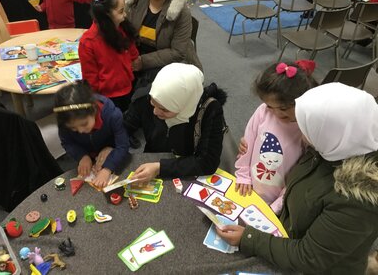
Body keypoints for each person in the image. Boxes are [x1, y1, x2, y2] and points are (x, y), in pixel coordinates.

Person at [217, 83, 378, 274]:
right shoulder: (330, 149)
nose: (298, 132)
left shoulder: (357, 200)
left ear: (329, 133)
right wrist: (253, 146)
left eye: (305, 126)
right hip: (285, 237)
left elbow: (308, 257)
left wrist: (249, 239)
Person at [235, 61, 318, 215]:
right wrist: (243, 175)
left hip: (277, 200)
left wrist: (277, 205)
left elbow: (299, 175)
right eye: (270, 106)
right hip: (249, 187)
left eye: (284, 108)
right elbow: (248, 143)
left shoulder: (306, 130)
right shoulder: (262, 112)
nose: (277, 114)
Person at [124, 63, 226, 182]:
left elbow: (207, 162)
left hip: (186, 169)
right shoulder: (150, 96)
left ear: (184, 105)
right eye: (153, 104)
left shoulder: (210, 109)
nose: (156, 112)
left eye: (164, 109)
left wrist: (160, 168)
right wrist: (109, 146)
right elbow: (124, 126)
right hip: (151, 159)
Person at [124, 0, 202, 88]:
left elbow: (177, 52)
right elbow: (126, 30)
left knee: (143, 96)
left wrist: (142, 62)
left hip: (166, 63)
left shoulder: (181, 12)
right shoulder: (137, 0)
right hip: (136, 56)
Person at [53, 81, 129, 188]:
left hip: (113, 154)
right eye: (73, 128)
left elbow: (123, 145)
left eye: (84, 124)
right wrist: (82, 156)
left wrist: (107, 169)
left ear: (94, 110)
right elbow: (67, 142)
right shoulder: (65, 122)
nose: (80, 131)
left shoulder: (112, 115)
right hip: (88, 157)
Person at [79, 0, 139, 113]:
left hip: (128, 88)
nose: (125, 15)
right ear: (106, 14)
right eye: (121, 11)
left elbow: (133, 54)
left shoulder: (123, 28)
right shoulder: (88, 41)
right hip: (107, 98)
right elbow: (90, 79)